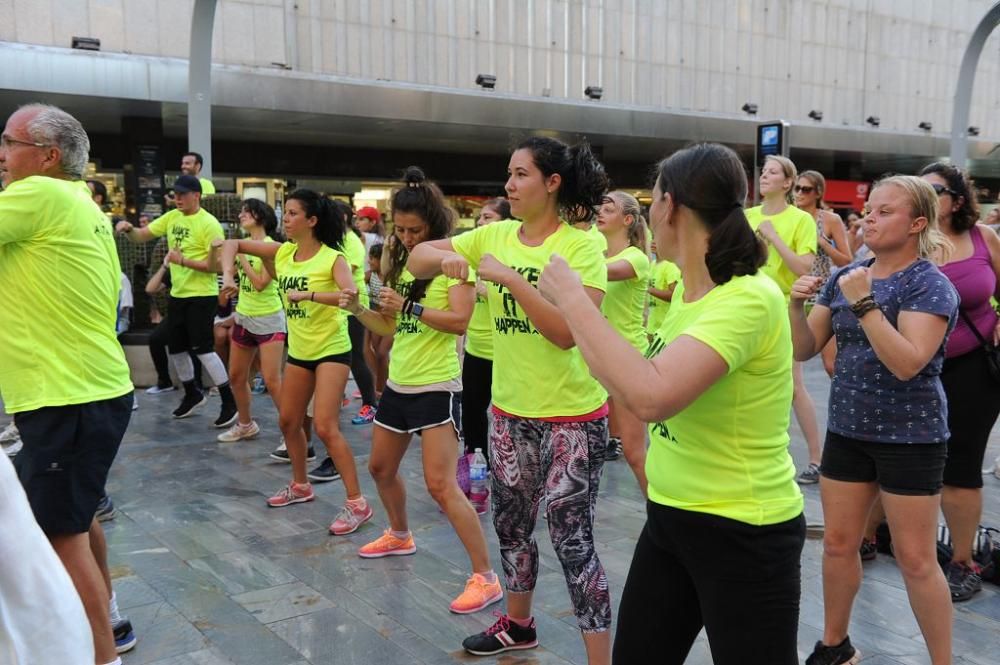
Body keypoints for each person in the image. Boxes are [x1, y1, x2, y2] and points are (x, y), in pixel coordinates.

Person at [534, 142, 805, 664]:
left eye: (651, 198)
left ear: (670, 206)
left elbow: (652, 396)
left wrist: (571, 297)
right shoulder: (685, 290)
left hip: (745, 530)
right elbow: (621, 376)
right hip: (672, 517)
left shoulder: (750, 298)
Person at [408, 137, 612, 663]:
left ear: (552, 183)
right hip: (509, 414)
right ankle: (519, 626)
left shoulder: (581, 246)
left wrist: (508, 280)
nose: (509, 185)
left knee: (573, 543)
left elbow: (567, 333)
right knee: (512, 527)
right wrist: (440, 257)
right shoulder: (495, 233)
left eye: (520, 175)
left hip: (573, 419)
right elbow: (417, 259)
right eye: (509, 173)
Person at [790, 175, 957, 665]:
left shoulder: (929, 283)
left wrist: (864, 303)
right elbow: (804, 348)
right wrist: (797, 305)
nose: (869, 218)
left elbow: (909, 363)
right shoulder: (849, 275)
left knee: (915, 559)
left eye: (885, 212)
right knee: (839, 545)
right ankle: (834, 644)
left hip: (912, 437)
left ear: (917, 224)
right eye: (870, 210)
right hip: (848, 432)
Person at [0, 103, 136, 665]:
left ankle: (103, 655)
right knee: (75, 521)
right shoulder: (78, 202)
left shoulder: (38, 195)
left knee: (60, 537)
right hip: (88, 391)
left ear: (47, 157)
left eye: (8, 142)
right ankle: (110, 621)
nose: (2, 154)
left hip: (67, 396)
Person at [340, 166, 502, 614]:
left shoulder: (454, 264)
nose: (408, 237)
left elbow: (461, 322)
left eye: (416, 230)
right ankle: (399, 533)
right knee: (379, 468)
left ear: (434, 226)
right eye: (401, 229)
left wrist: (409, 304)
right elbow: (389, 325)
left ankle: (485, 577)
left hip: (438, 385)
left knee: (441, 486)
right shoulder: (398, 263)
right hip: (399, 383)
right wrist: (358, 309)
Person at [218, 189, 373, 535]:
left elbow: (351, 297)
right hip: (300, 352)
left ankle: (357, 503)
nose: (285, 219)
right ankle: (301, 485)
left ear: (312, 221)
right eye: (284, 213)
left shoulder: (333, 259)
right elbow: (231, 245)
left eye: (292, 214)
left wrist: (310, 295)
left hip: (332, 350)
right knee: (288, 422)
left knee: (324, 426)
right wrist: (228, 277)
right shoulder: (283, 252)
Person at [920, 162, 1000, 601]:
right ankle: (876, 536)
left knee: (962, 465)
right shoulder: (907, 239)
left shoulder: (982, 239)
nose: (927, 197)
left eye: (935, 190)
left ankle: (962, 561)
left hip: (973, 366)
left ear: (957, 198)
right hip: (913, 367)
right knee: (897, 458)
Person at [115, 176, 237, 426]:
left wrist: (183, 262)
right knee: (176, 346)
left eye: (183, 194)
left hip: (201, 296)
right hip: (178, 294)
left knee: (203, 348)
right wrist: (129, 230)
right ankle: (192, 392)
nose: (178, 198)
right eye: (175, 194)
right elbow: (142, 236)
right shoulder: (172, 217)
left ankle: (229, 400)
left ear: (197, 195)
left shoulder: (209, 224)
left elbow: (216, 266)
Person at [746, 155, 824, 484]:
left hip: (783, 308)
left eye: (772, 172)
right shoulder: (746, 215)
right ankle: (753, 452)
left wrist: (772, 236)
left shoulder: (800, 220)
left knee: (793, 385)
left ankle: (817, 458)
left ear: (788, 183)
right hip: (747, 306)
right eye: (763, 172)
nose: (764, 177)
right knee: (749, 380)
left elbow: (804, 268)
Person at [214, 199, 286, 443]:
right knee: (236, 376)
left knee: (272, 379)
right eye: (241, 211)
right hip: (244, 317)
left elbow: (260, 283)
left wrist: (241, 253)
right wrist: (218, 250)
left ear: (261, 217)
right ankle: (245, 424)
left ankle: (292, 432)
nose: (242, 215)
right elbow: (218, 269)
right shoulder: (241, 245)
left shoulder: (271, 246)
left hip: (269, 319)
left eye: (248, 211)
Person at [596, 191, 651, 493]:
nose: (601, 212)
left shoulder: (636, 258)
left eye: (609, 208)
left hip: (628, 359)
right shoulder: (597, 253)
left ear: (627, 220)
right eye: (601, 207)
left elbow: (599, 274)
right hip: (597, 359)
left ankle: (660, 514)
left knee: (634, 452)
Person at [461, 197, 512, 509]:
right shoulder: (472, 257)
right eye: (479, 218)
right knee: (472, 411)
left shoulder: (512, 258)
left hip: (507, 351)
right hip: (476, 348)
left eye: (488, 217)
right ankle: (477, 469)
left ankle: (514, 473)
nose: (481, 223)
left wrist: (492, 288)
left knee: (507, 417)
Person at [795, 171, 853, 378]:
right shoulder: (789, 217)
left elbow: (846, 260)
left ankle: (844, 404)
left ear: (818, 192)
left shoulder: (830, 219)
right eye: (797, 188)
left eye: (805, 189)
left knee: (831, 364)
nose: (799, 193)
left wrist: (821, 241)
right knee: (789, 366)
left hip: (822, 294)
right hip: (793, 292)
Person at [362, 243, 392, 402]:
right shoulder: (369, 275)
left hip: (391, 317)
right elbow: (356, 283)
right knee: (375, 352)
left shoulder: (390, 277)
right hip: (375, 314)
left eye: (373, 258)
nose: (369, 261)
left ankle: (382, 388)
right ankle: (381, 385)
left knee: (382, 352)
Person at [645, 247, 680, 339]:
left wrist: (648, 289)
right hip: (652, 325)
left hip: (665, 327)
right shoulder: (652, 264)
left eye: (656, 237)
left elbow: (674, 295)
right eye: (652, 237)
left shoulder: (670, 266)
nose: (653, 241)